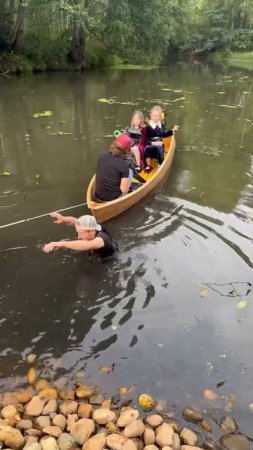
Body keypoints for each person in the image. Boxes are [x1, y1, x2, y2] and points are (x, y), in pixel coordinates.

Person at [43, 213, 117, 261]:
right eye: (77, 232)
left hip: (107, 263)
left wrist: (62, 244)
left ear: (92, 231)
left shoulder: (101, 239)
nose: (78, 236)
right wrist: (63, 219)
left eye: (81, 233)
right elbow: (75, 221)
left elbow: (88, 245)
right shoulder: (91, 228)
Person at [95, 134, 133, 202]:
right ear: (126, 150)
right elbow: (123, 190)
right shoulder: (124, 165)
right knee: (130, 172)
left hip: (98, 196)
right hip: (113, 199)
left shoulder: (101, 155)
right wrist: (127, 188)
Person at [144, 105, 178, 173]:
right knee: (147, 148)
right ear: (150, 116)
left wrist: (171, 131)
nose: (155, 118)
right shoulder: (148, 127)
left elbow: (163, 135)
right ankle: (148, 165)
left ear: (160, 117)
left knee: (160, 148)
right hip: (150, 144)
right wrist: (152, 143)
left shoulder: (161, 125)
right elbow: (145, 140)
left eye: (156, 116)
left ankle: (160, 164)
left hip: (159, 145)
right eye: (153, 116)